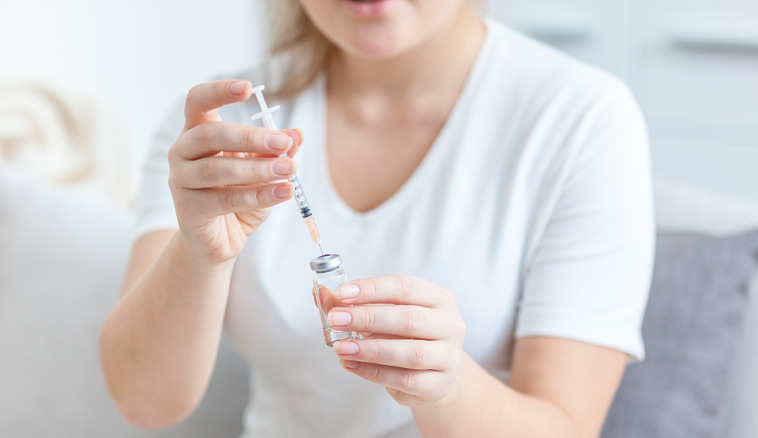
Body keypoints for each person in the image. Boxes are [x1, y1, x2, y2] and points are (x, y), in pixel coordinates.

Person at [100, 0, 655, 437]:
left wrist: (446, 384)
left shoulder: (581, 121)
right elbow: (144, 401)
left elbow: (564, 427)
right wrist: (200, 253)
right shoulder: (220, 128)